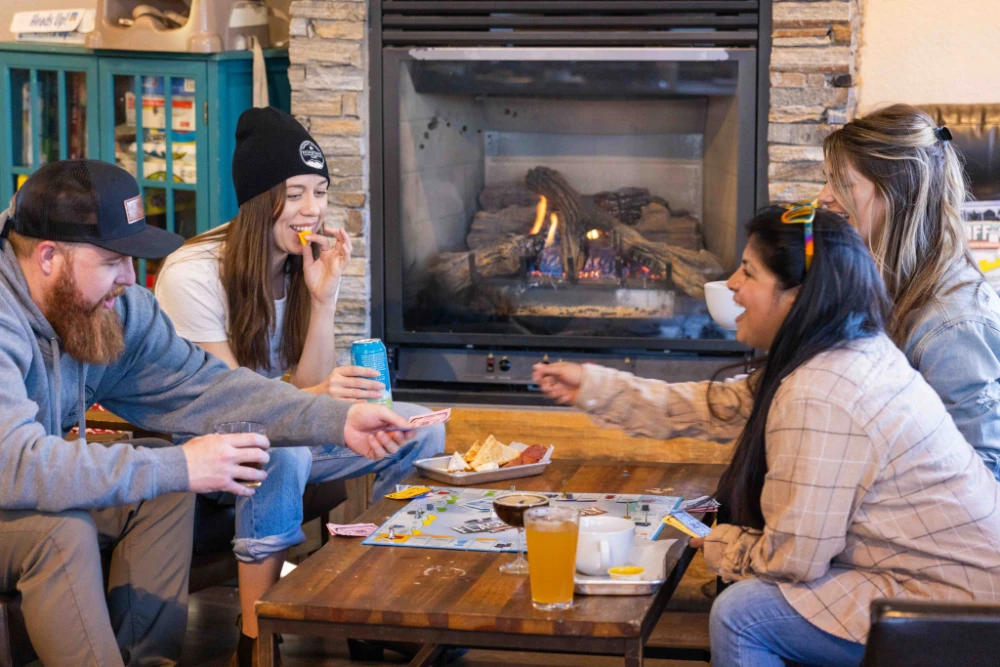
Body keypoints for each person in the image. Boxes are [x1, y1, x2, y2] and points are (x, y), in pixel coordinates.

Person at [533, 206, 1000, 667]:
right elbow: (707, 406)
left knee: (745, 613)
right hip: (937, 583)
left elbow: (793, 560)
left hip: (955, 609)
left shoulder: (823, 392)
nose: (731, 283)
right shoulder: (843, 349)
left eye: (748, 272)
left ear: (795, 296)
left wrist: (717, 542)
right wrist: (592, 386)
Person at [0, 159, 414, 667]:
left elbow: (208, 389)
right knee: (62, 534)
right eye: (113, 261)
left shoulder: (116, 309)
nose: (130, 279)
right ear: (48, 257)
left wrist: (334, 418)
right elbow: (12, 465)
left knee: (167, 488)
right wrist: (184, 463)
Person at [153, 106, 444, 665]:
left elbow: (307, 385)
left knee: (418, 433)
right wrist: (325, 399)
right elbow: (226, 410)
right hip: (206, 450)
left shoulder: (296, 263)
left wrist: (323, 296)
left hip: (276, 430)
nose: (312, 209)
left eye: (321, 191)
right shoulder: (192, 274)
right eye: (294, 193)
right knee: (278, 456)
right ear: (259, 197)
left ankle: (371, 602)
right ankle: (257, 635)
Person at [818, 103, 1000, 478]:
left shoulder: (952, 326)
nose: (823, 195)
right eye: (826, 179)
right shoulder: (880, 283)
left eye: (842, 182)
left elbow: (983, 475)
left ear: (896, 194)